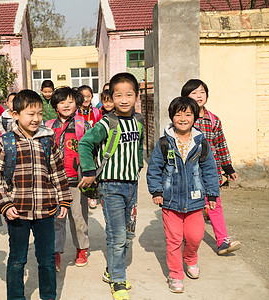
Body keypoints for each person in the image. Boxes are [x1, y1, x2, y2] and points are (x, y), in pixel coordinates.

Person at [0, 89, 72, 300]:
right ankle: (16, 297)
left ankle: (49, 295)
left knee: (46, 259)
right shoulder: (5, 142)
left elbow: (58, 172)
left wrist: (64, 200)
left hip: (46, 210)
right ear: (15, 114)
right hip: (17, 212)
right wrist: (5, 205)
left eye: (39, 114)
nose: (36, 119)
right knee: (17, 259)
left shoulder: (47, 140)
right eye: (30, 114)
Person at [78, 73, 144, 300]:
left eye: (129, 94)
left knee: (127, 234)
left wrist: (137, 169)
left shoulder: (138, 122)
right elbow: (85, 143)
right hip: (111, 187)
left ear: (136, 96)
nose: (124, 99)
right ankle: (118, 280)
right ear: (111, 97)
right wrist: (88, 171)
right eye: (118, 95)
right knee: (116, 236)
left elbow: (138, 149)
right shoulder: (107, 122)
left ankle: (111, 270)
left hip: (132, 187)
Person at [146, 96, 220, 293]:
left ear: (194, 117)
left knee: (195, 237)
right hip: (170, 201)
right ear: (172, 117)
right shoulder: (164, 143)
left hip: (196, 200)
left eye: (188, 114)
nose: (183, 118)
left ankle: (190, 259)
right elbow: (154, 169)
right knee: (174, 240)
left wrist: (212, 195)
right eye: (178, 114)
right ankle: (176, 274)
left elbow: (210, 170)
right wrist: (156, 191)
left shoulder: (201, 142)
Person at [181, 79, 242, 255]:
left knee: (215, 204)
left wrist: (228, 168)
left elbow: (221, 144)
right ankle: (187, 237)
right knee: (191, 207)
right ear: (185, 96)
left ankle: (223, 242)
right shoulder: (184, 119)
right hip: (189, 172)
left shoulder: (213, 120)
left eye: (202, 92)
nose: (199, 96)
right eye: (193, 93)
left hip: (211, 172)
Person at [45, 87, 91, 271]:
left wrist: (90, 175)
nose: (66, 105)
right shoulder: (48, 126)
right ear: (55, 105)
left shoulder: (84, 125)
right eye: (62, 101)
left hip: (76, 182)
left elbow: (91, 152)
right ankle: (56, 252)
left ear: (77, 104)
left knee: (78, 218)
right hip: (53, 182)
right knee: (56, 218)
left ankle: (81, 249)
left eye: (70, 101)